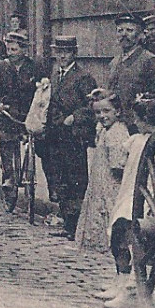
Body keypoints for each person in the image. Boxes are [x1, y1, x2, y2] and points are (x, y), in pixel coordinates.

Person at [75, 89, 141, 308]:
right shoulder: (106, 130)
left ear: (118, 112)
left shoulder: (117, 133)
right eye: (98, 112)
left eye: (107, 111)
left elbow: (120, 165)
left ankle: (125, 282)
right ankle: (119, 279)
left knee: (120, 238)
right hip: (102, 188)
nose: (102, 116)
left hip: (114, 191)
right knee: (114, 241)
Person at [37, 36, 96, 238]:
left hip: (73, 137)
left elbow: (92, 105)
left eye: (67, 52)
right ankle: (66, 222)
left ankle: (75, 226)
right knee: (59, 178)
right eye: (59, 52)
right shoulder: (54, 75)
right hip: (55, 135)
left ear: (74, 54)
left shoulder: (83, 77)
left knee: (76, 180)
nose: (62, 56)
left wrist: (75, 117)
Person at [0, 29, 39, 208]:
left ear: (24, 50)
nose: (11, 53)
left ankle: (30, 176)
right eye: (9, 50)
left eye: (15, 50)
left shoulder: (33, 67)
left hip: (27, 114)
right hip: (7, 114)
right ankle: (9, 178)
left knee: (34, 143)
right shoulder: (1, 66)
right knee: (7, 145)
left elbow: (41, 90)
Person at [104, 13, 155, 130]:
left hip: (138, 127)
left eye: (129, 30)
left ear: (140, 35)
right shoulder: (114, 63)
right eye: (120, 31)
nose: (124, 34)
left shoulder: (150, 61)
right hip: (115, 126)